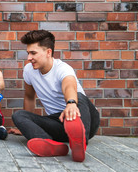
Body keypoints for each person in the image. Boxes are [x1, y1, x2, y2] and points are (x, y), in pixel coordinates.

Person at [12, 30, 100, 162]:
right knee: (19, 115)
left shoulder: (63, 69)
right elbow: (29, 97)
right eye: (28, 53)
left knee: (79, 96)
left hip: (82, 117)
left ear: (48, 52)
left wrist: (71, 103)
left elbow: (69, 86)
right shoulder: (29, 70)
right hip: (59, 123)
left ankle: (80, 143)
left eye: (33, 53)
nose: (29, 58)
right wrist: (26, 126)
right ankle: (51, 145)